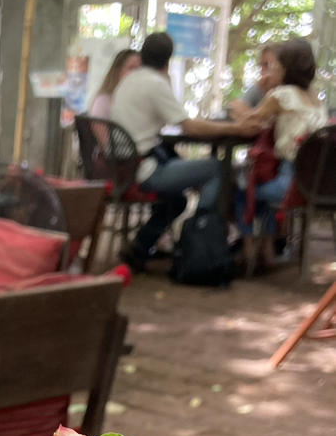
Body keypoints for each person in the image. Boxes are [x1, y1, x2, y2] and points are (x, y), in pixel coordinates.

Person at [111, 31, 238, 270]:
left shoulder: (129, 80)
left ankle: (139, 248)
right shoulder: (155, 84)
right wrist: (235, 127)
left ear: (142, 55)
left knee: (177, 200)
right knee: (217, 168)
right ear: (168, 60)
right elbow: (188, 126)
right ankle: (199, 238)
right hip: (144, 170)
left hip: (123, 168)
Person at [233, 37, 326, 267]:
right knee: (260, 185)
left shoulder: (282, 95)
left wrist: (248, 96)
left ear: (285, 68)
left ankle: (249, 250)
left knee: (242, 188)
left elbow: (249, 121)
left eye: (276, 65)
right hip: (321, 183)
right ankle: (267, 250)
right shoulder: (315, 96)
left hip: (291, 184)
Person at [227, 45, 283, 120]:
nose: (263, 71)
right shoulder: (258, 88)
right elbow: (236, 108)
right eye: (261, 66)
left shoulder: (287, 92)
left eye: (267, 65)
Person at [89, 48, 141, 120]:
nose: (136, 73)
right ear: (118, 70)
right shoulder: (103, 101)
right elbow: (97, 126)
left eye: (139, 69)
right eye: (131, 68)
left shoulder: (139, 100)